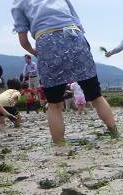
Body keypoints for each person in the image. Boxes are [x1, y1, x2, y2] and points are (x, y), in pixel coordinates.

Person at [11, 0, 117, 144]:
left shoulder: (19, 3)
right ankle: (115, 134)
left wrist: (36, 52)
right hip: (75, 37)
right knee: (96, 96)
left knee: (54, 104)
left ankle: (59, 145)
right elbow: (78, 23)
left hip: (46, 41)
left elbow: (23, 41)